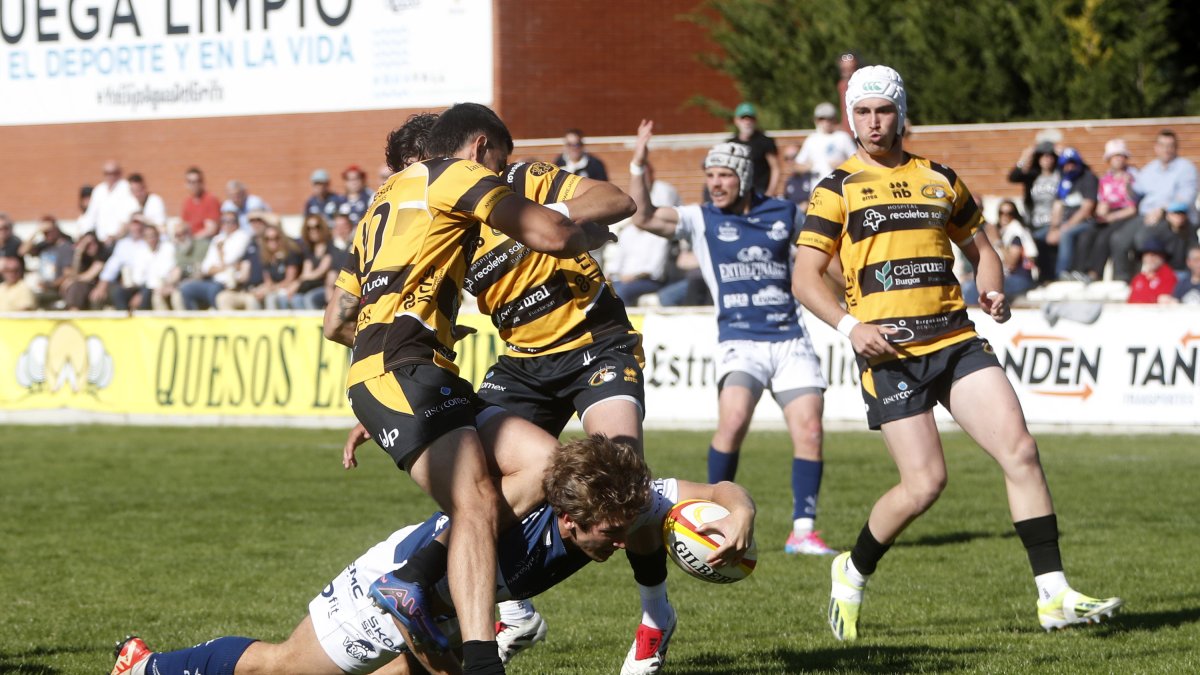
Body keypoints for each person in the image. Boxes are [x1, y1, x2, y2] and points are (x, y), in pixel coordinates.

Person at [791, 64, 1122, 642]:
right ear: (850, 118)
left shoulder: (939, 178)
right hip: (890, 353)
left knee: (1020, 451)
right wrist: (849, 326)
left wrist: (992, 288)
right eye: (863, 112)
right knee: (924, 485)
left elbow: (983, 249)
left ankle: (1054, 595)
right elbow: (805, 277)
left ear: (900, 113)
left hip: (955, 339)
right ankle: (853, 568)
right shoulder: (835, 188)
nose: (874, 122)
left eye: (883, 110)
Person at [330, 102, 616, 675]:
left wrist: (412, 330)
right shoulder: (454, 173)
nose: (500, 177)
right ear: (480, 148)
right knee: (477, 500)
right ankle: (483, 656)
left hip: (413, 371)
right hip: (404, 370)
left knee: (550, 465)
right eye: (499, 165)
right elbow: (551, 234)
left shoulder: (380, 205)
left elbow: (337, 321)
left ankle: (416, 578)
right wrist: (581, 229)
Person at [108, 435, 756, 675]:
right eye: (608, 535)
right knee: (279, 666)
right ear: (567, 517)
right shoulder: (516, 513)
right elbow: (416, 594)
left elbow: (721, 490)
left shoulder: (616, 499)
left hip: (452, 609)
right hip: (398, 590)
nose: (622, 542)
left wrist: (742, 516)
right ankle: (148, 666)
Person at [629, 120, 835, 558]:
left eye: (724, 175)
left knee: (811, 429)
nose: (715, 184)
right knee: (734, 421)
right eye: (710, 176)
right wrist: (638, 164)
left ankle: (803, 532)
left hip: (790, 338)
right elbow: (643, 216)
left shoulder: (785, 213)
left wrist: (854, 292)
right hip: (739, 340)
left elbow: (824, 258)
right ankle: (709, 516)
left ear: (743, 176)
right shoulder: (701, 218)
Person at [1109, 130, 1199, 280]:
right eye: (1162, 145)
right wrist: (1127, 185)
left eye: (1170, 146)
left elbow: (1186, 198)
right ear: (1156, 147)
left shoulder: (1186, 168)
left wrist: (1162, 210)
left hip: (1173, 217)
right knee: (1118, 239)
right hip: (1146, 216)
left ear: (1176, 147)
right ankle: (1122, 280)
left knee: (1143, 239)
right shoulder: (1150, 169)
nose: (1166, 149)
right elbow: (1137, 193)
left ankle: (1146, 280)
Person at [609, 160, 674, 307]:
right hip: (622, 280)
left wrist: (632, 277)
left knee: (621, 291)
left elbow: (654, 270)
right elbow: (616, 263)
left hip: (647, 281)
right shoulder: (627, 232)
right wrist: (610, 276)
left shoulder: (659, 232)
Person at [1076, 139, 1138, 281]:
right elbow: (1102, 202)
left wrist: (1112, 217)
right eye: (1115, 156)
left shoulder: (1132, 177)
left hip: (1125, 216)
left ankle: (1095, 273)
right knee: (1087, 235)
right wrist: (1101, 213)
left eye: (1121, 156)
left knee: (1105, 237)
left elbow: (1132, 208)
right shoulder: (1105, 179)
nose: (1118, 159)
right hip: (1108, 215)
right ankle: (1079, 271)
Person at [1008, 140, 1060, 282]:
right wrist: (1025, 156)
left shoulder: (1060, 175)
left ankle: (1051, 278)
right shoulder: (1033, 175)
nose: (1047, 159)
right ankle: (1043, 279)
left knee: (1047, 248)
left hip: (1054, 223)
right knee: (1037, 247)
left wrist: (1061, 153)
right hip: (1035, 222)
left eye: (1050, 156)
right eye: (1043, 156)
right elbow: (1013, 177)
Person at [1045, 147, 1098, 280]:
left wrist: (1065, 227)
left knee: (1066, 234)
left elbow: (1087, 208)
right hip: (1065, 222)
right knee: (1040, 236)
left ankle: (1062, 273)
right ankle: (1044, 276)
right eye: (1066, 164)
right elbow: (1058, 206)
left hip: (1085, 222)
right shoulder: (1065, 182)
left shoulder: (1088, 178)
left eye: (1072, 163)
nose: (1069, 167)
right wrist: (1053, 228)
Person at [795, 102, 856, 190]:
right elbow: (797, 165)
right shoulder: (811, 139)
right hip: (818, 188)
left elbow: (857, 161)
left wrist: (843, 165)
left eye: (829, 118)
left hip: (840, 188)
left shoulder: (842, 137)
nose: (826, 122)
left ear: (835, 119)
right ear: (816, 120)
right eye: (822, 119)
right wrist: (807, 167)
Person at [728, 102, 780, 197]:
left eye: (750, 118)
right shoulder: (730, 144)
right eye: (743, 118)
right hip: (737, 193)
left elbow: (775, 168)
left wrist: (770, 192)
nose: (747, 122)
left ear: (755, 121)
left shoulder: (765, 141)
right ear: (736, 121)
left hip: (760, 192)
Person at [296, 214, 337, 309]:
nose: (313, 230)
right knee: (296, 298)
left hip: (326, 286)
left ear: (323, 228)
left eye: (317, 227)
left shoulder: (330, 246)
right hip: (311, 286)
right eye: (309, 228)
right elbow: (306, 271)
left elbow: (320, 272)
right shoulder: (309, 249)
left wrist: (299, 281)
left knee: (310, 298)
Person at [1127, 238, 1178, 303]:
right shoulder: (1138, 278)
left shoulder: (1168, 276)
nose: (1150, 259)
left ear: (1162, 257)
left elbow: (1163, 299)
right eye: (1147, 255)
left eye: (1154, 255)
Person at [180, 166, 222, 239]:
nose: (193, 185)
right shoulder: (187, 202)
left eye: (196, 181)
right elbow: (185, 225)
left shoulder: (210, 200)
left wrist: (193, 239)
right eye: (190, 182)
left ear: (202, 182)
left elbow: (211, 230)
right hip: (191, 239)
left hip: (206, 240)